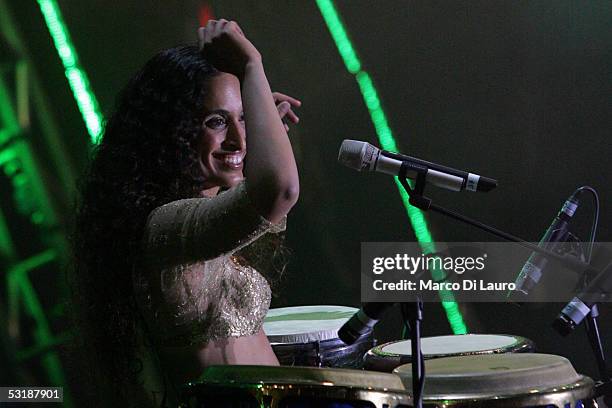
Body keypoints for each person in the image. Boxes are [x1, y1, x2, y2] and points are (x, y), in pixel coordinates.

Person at [71, 19, 300, 406]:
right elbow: (279, 190)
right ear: (171, 131)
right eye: (216, 121)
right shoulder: (164, 228)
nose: (238, 139)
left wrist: (261, 124)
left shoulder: (204, 218)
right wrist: (252, 67)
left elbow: (262, 198)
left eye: (242, 118)